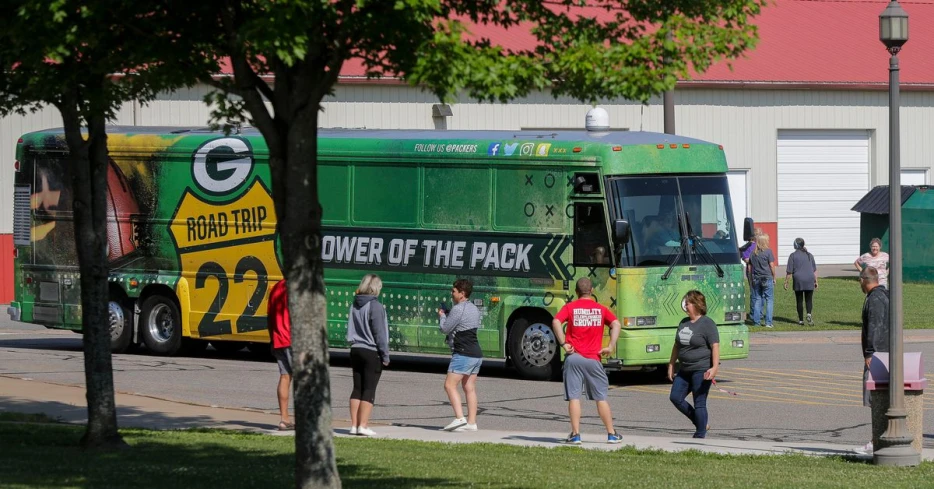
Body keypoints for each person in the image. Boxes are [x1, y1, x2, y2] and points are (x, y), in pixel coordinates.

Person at [551, 278, 623, 445]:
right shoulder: (601, 309)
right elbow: (616, 324)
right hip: (593, 358)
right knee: (601, 397)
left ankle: (576, 434)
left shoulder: (570, 307)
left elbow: (555, 321)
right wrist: (610, 346)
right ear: (591, 291)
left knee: (574, 397)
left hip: (574, 357)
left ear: (577, 292)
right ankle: (611, 434)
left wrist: (564, 343)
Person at [667, 290, 720, 439]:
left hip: (701, 369)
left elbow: (715, 346)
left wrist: (714, 367)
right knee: (675, 397)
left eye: (688, 303)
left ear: (697, 305)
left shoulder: (707, 323)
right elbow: (677, 345)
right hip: (684, 370)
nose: (686, 306)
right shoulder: (683, 323)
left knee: (699, 402)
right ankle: (700, 422)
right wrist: (671, 364)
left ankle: (700, 434)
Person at [347, 274, 390, 437]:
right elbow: (379, 333)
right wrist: (385, 355)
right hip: (371, 351)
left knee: (357, 388)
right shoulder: (376, 306)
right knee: (369, 388)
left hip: (355, 348)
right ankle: (363, 425)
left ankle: (354, 425)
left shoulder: (355, 304)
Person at [438, 278, 483, 432]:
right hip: (476, 354)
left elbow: (445, 329)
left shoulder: (458, 309)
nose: (452, 294)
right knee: (469, 387)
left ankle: (459, 418)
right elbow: (462, 323)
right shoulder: (473, 309)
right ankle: (471, 422)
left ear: (462, 294)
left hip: (463, 353)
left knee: (449, 385)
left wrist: (442, 315)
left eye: (454, 291)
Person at [854, 266, 890, 455]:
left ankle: (876, 441)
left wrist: (870, 353)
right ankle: (879, 438)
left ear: (863, 280)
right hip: (886, 353)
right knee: (881, 400)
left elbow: (874, 326)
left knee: (875, 400)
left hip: (878, 355)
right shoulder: (884, 294)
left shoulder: (875, 299)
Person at [266, 279, 293, 431]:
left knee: (285, 376)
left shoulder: (277, 287)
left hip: (279, 338)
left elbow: (269, 316)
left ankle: (284, 419)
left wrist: (272, 338)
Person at [783, 237, 818, 325]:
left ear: (796, 245)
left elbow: (789, 271)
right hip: (809, 279)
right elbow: (814, 270)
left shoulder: (793, 255)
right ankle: (809, 314)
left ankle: (801, 320)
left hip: (799, 280)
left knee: (799, 300)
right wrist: (816, 281)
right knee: (809, 299)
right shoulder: (810, 255)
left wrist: (786, 282)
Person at [749, 233, 776, 328]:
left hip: (756, 278)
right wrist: (774, 276)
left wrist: (751, 278)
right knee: (769, 299)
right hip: (767, 277)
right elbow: (772, 265)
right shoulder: (768, 252)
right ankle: (768, 322)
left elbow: (751, 267)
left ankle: (756, 322)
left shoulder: (753, 253)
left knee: (757, 299)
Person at [740, 228, 763, 315]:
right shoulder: (749, 246)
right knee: (754, 292)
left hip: (762, 271)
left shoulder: (761, 246)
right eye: (759, 235)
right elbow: (746, 259)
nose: (761, 236)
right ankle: (754, 313)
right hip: (752, 272)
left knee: (761, 293)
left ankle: (759, 313)